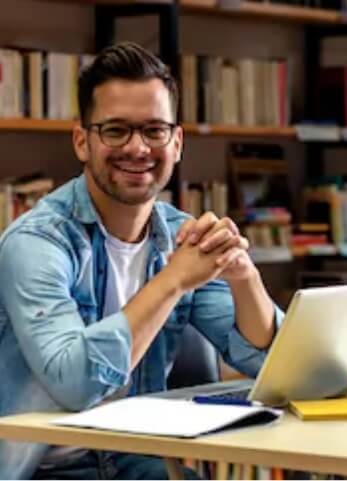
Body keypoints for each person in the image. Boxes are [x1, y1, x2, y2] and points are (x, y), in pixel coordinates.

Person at [0, 42, 282, 480]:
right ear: (82, 141)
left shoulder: (180, 235)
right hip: (46, 469)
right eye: (115, 130)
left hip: (135, 457)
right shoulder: (37, 242)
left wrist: (245, 277)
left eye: (154, 130)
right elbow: (75, 384)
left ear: (177, 141)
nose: (138, 148)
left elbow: (273, 365)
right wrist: (172, 281)